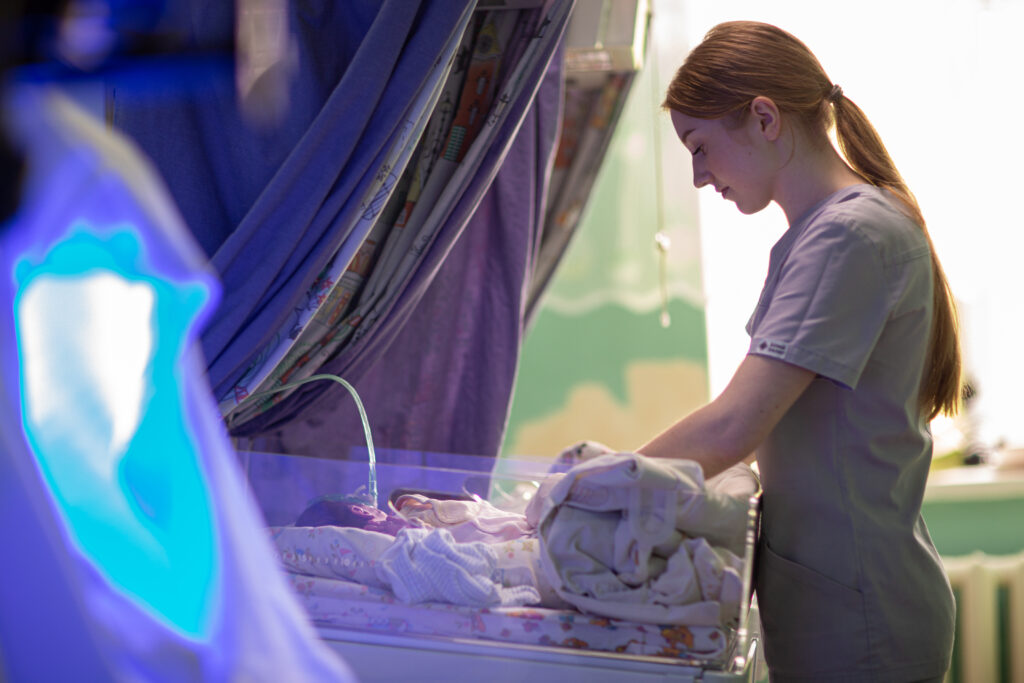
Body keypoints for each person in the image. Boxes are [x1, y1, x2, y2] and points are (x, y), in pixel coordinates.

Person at [638, 20, 960, 682]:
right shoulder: (826, 234)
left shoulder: (850, 237)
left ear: (763, 117)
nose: (699, 176)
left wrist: (585, 483)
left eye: (700, 147)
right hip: (833, 600)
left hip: (862, 619)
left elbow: (736, 424)